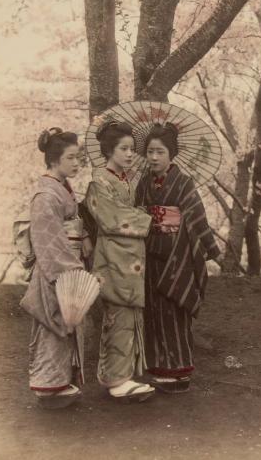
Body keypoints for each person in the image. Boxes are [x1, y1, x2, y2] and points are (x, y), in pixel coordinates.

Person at [135, 122, 220, 394]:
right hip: (151, 251)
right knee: (154, 311)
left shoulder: (183, 183)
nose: (154, 158)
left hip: (177, 252)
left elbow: (196, 217)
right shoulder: (144, 183)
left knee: (174, 308)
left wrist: (212, 250)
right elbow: (136, 213)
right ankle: (160, 368)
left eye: (160, 152)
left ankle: (180, 369)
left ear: (171, 154)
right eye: (149, 152)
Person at [20, 127, 91, 408]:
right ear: (54, 160)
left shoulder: (61, 187)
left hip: (68, 261)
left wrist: (83, 236)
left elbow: (71, 224)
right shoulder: (45, 195)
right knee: (54, 323)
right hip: (54, 267)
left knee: (66, 323)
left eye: (78, 157)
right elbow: (48, 240)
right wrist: (70, 270)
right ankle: (47, 386)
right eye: (71, 158)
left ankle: (58, 382)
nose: (77, 163)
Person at [85, 121, 155, 402]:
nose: (129, 154)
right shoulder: (99, 181)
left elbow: (126, 212)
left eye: (131, 149)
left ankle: (123, 374)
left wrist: (139, 212)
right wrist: (149, 219)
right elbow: (112, 217)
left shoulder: (124, 180)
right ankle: (117, 379)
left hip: (128, 255)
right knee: (119, 316)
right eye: (123, 149)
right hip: (113, 256)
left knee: (129, 315)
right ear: (109, 150)